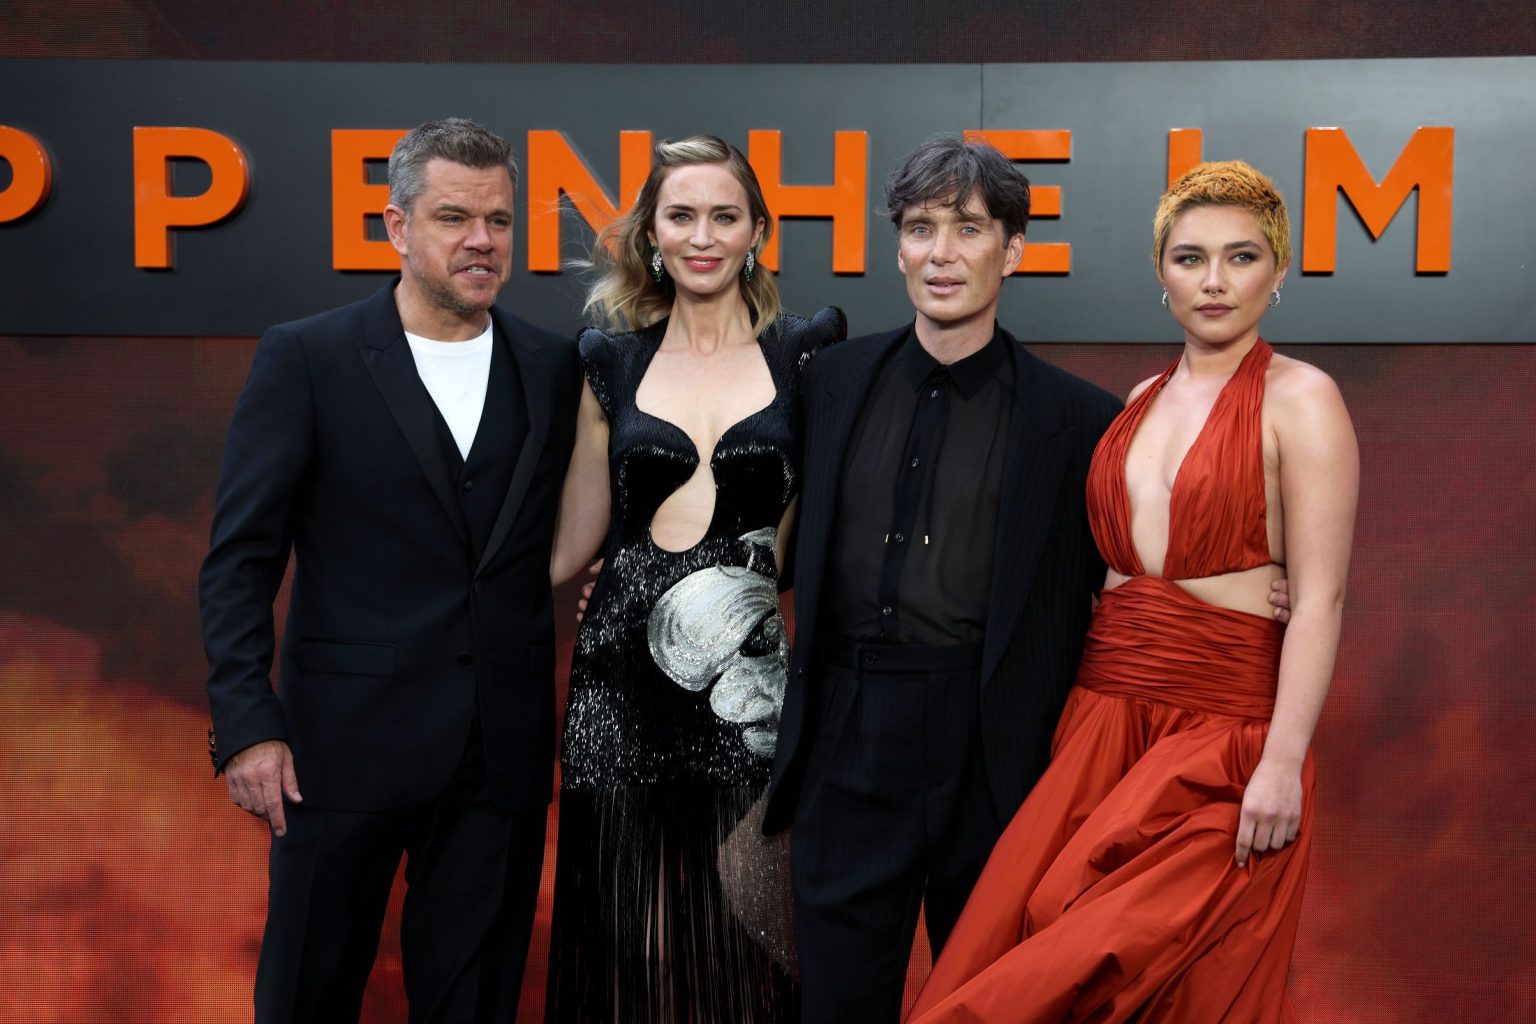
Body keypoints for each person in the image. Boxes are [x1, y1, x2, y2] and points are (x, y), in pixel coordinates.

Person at [907, 160, 1358, 1023]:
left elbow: (1321, 600)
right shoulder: (1141, 399)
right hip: (1100, 727)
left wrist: (1281, 762)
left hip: (1221, 743)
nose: (1215, 281)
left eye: (1242, 257)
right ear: (1162, 273)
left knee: (1162, 977)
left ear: (1278, 271)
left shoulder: (1303, 400)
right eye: (1191, 258)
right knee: (1027, 946)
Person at [199, 118, 580, 1022]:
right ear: (398, 226)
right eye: (454, 218)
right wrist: (247, 724)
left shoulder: (553, 365)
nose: (481, 240)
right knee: (308, 997)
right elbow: (241, 558)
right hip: (338, 754)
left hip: (498, 758)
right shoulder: (310, 356)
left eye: (498, 220)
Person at [757, 134, 1122, 1023]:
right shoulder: (832, 380)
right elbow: (759, 513)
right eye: (921, 229)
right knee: (836, 1004)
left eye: (968, 229)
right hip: (846, 729)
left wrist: (1251, 592)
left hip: (994, 748)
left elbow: (1130, 578)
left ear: (1013, 249)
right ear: (898, 248)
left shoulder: (1081, 420)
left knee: (988, 1006)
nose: (942, 254)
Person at [543, 135, 846, 1022]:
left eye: (724, 216)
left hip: (746, 692)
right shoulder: (609, 361)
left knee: (747, 947)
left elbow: (816, 529)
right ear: (652, 235)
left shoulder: (806, 353)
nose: (703, 236)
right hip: (616, 691)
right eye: (681, 216)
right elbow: (570, 543)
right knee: (629, 947)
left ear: (757, 232)